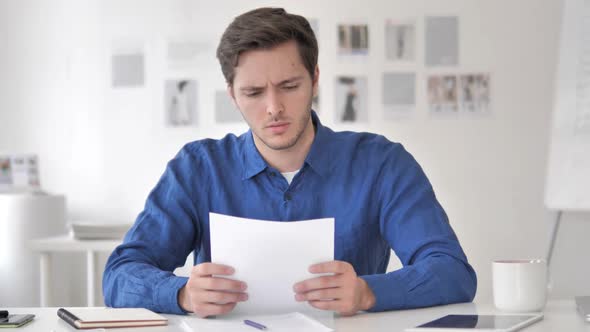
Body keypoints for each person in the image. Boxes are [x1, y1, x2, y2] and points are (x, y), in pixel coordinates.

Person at [103, 7, 477, 318]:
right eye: (253, 92)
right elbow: (120, 275)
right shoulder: (197, 169)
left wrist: (367, 292)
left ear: (314, 81)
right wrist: (182, 293)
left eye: (289, 86)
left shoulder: (382, 164)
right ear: (232, 94)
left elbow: (452, 271)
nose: (274, 108)